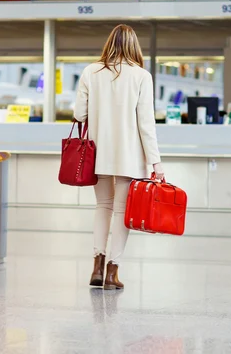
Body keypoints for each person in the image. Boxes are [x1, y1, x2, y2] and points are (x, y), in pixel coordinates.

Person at [74, 24, 164, 290]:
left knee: (103, 206)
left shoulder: (91, 72)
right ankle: (112, 273)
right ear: (134, 45)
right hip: (128, 155)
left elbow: (79, 115)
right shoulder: (141, 76)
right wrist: (155, 161)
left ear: (109, 43)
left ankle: (97, 267)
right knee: (122, 212)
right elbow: (146, 123)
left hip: (97, 152)